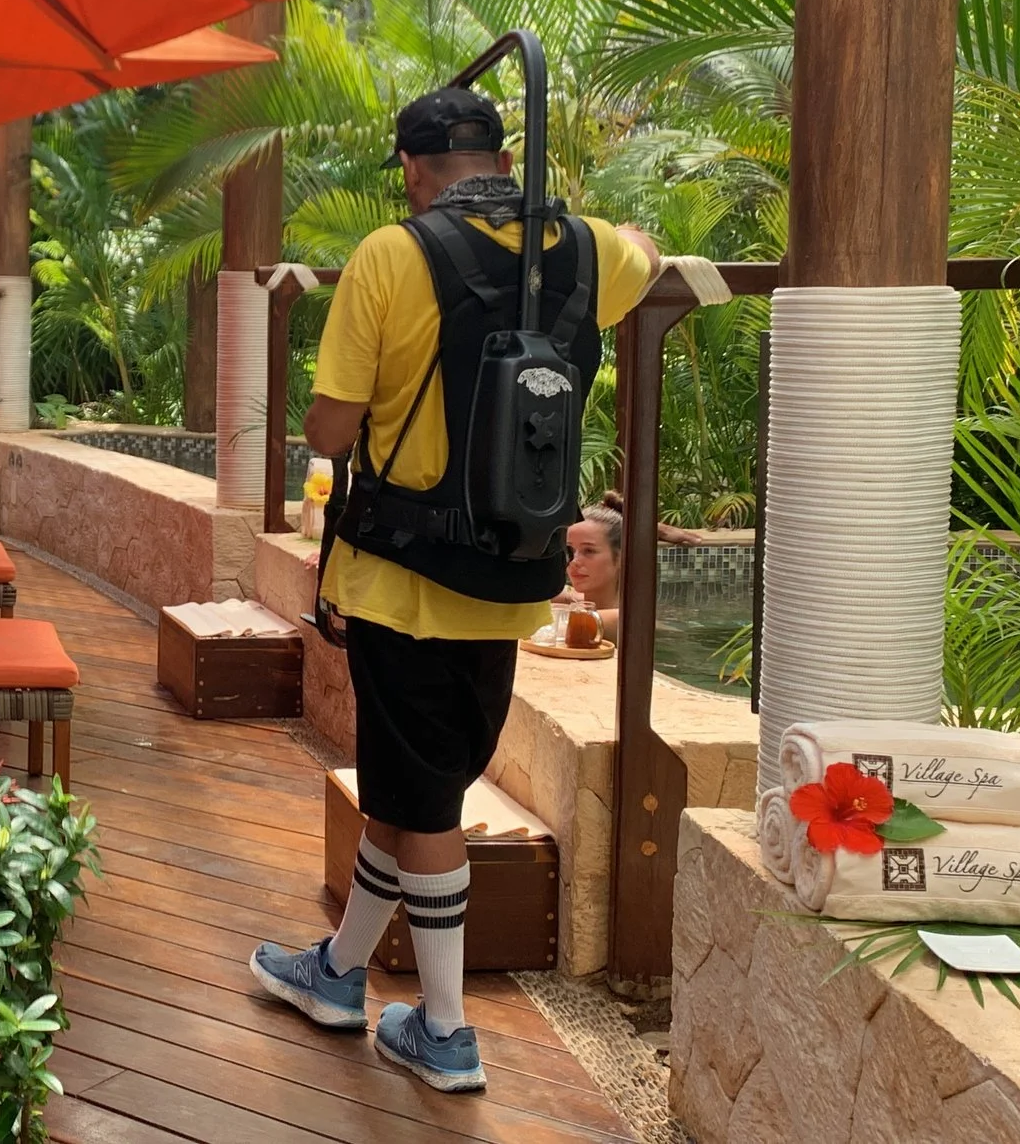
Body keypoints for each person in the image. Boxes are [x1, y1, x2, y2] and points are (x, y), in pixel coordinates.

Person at [250, 86, 659, 1093]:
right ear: (501, 157)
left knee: (424, 801)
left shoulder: (394, 255)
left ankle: (444, 1029)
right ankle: (339, 971)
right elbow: (643, 250)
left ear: (411, 167)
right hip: (510, 576)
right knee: (410, 787)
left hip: (403, 580)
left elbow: (330, 434)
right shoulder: (586, 249)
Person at [560, 491, 704, 640]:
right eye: (569, 549)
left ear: (623, 557)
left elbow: (563, 626)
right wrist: (649, 527)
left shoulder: (625, 618)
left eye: (589, 551)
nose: (574, 561)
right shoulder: (575, 600)